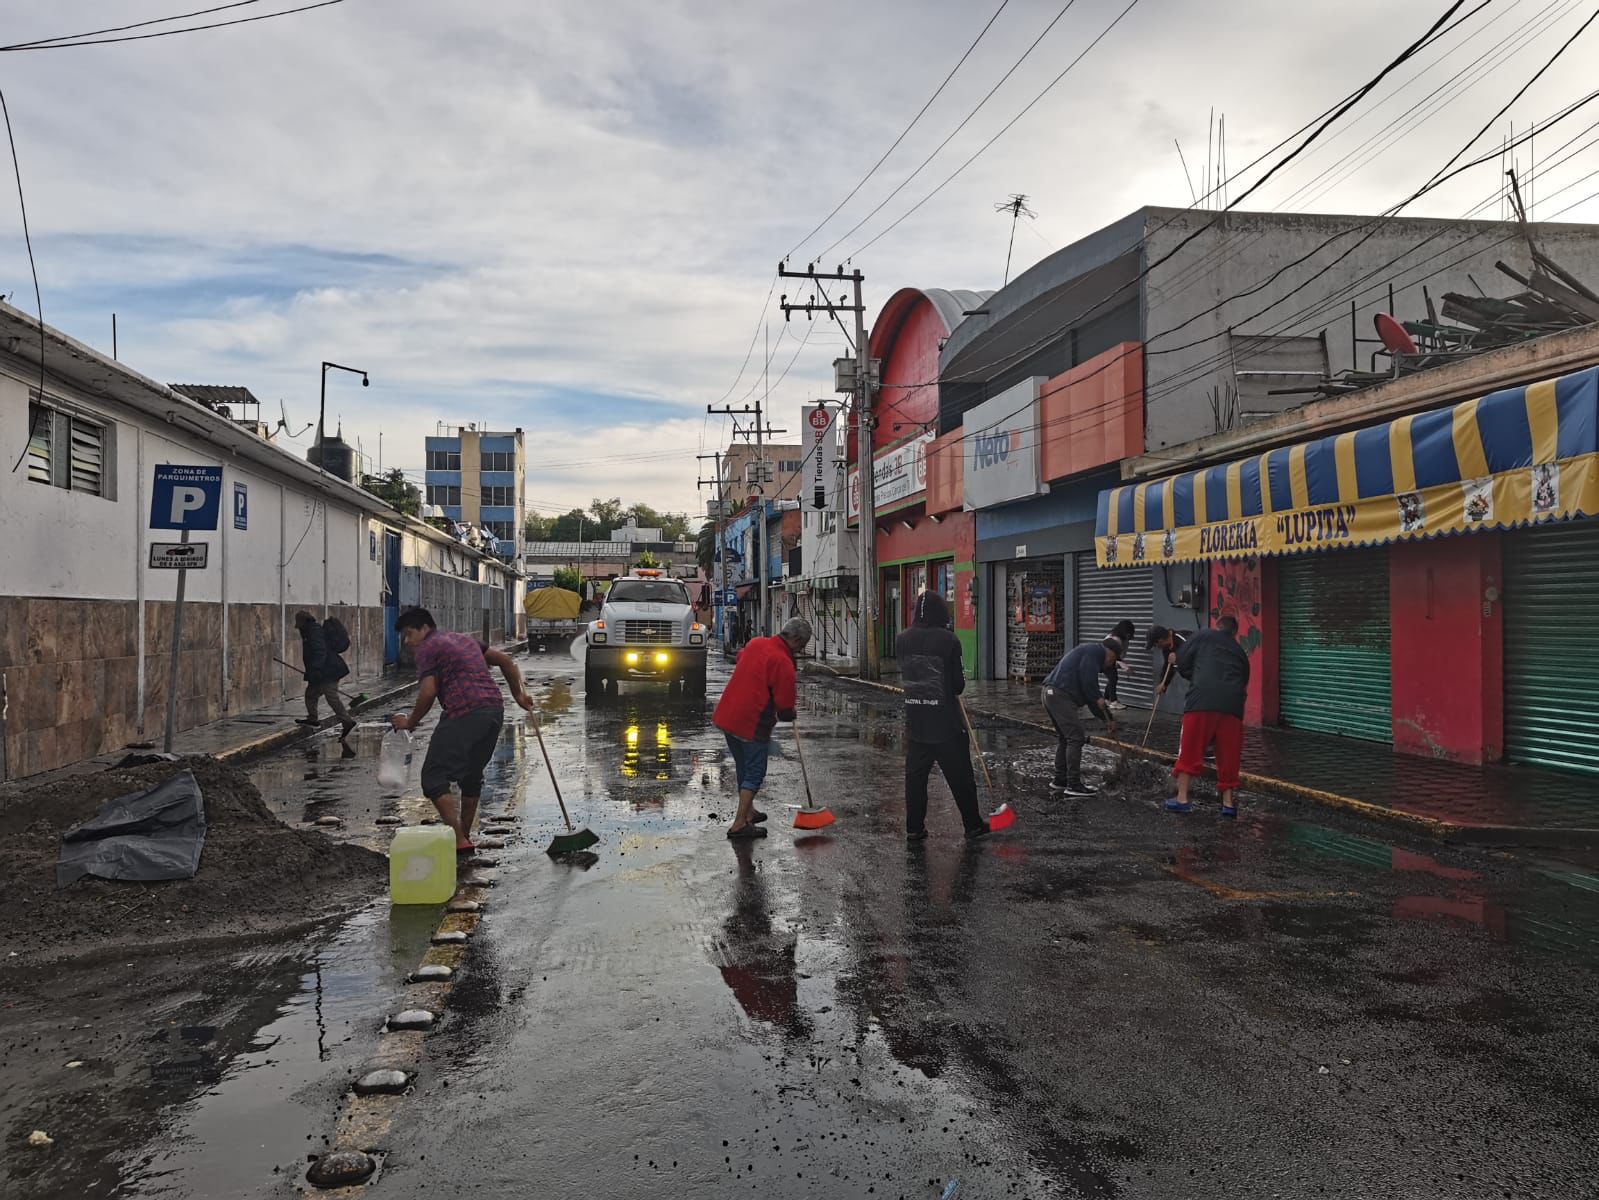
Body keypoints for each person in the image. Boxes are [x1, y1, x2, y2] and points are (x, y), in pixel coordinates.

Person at [390, 608, 535, 851]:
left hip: (463, 712)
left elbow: (428, 691)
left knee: (433, 777)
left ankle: (458, 839)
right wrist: (518, 695)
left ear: (424, 628)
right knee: (471, 774)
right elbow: (506, 661)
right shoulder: (464, 639)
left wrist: (410, 722)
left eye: (408, 633)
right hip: (493, 711)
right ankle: (465, 836)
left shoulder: (428, 648)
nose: (407, 641)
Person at [895, 591, 988, 843]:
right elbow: (957, 685)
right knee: (961, 778)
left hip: (916, 721)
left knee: (915, 779)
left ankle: (914, 828)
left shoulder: (902, 639)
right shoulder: (949, 640)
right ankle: (973, 825)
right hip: (946, 723)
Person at [713, 616, 812, 839]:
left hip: (728, 716)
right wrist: (788, 712)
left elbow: (741, 657)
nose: (801, 650)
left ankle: (749, 811)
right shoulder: (782, 661)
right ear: (795, 639)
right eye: (802, 645)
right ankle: (739, 823)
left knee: (743, 766)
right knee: (755, 772)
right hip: (752, 722)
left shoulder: (756, 643)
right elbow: (785, 705)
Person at [1166, 614, 1250, 818]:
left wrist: (1194, 676)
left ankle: (1182, 799)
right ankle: (1228, 804)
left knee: (1191, 748)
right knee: (1228, 754)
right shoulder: (1240, 651)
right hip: (1233, 705)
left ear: (1217, 626)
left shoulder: (1203, 635)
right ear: (1234, 632)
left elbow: (1183, 660)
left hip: (1202, 700)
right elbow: (1245, 677)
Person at [1041, 637, 1122, 798]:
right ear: (1111, 654)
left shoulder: (1090, 656)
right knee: (1076, 738)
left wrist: (1108, 719)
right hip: (1059, 695)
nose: (1110, 664)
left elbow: (1092, 699)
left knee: (1066, 738)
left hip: (1050, 694)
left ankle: (1060, 780)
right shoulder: (1094, 651)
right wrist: (1098, 697)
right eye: (1113, 660)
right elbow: (1089, 684)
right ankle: (1074, 784)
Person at [294, 610, 356, 739]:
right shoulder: (309, 631)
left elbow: (320, 651)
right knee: (311, 694)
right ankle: (312, 719)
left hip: (328, 670)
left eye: (299, 625)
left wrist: (316, 668)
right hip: (322, 670)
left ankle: (347, 721)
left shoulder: (313, 632)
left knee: (331, 696)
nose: (298, 628)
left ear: (303, 622)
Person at [1146, 625, 1190, 698]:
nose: (1156, 647)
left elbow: (1195, 656)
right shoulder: (1167, 648)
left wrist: (1178, 657)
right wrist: (1163, 684)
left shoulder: (1183, 639)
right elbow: (1168, 666)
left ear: (1160, 640)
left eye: (1155, 645)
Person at [1102, 619, 1137, 711]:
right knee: (1113, 678)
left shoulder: (1121, 639)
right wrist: (1124, 666)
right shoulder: (1115, 639)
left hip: (1110, 660)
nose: (1130, 635)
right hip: (1106, 660)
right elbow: (1114, 655)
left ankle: (1106, 699)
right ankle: (1113, 701)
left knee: (1112, 678)